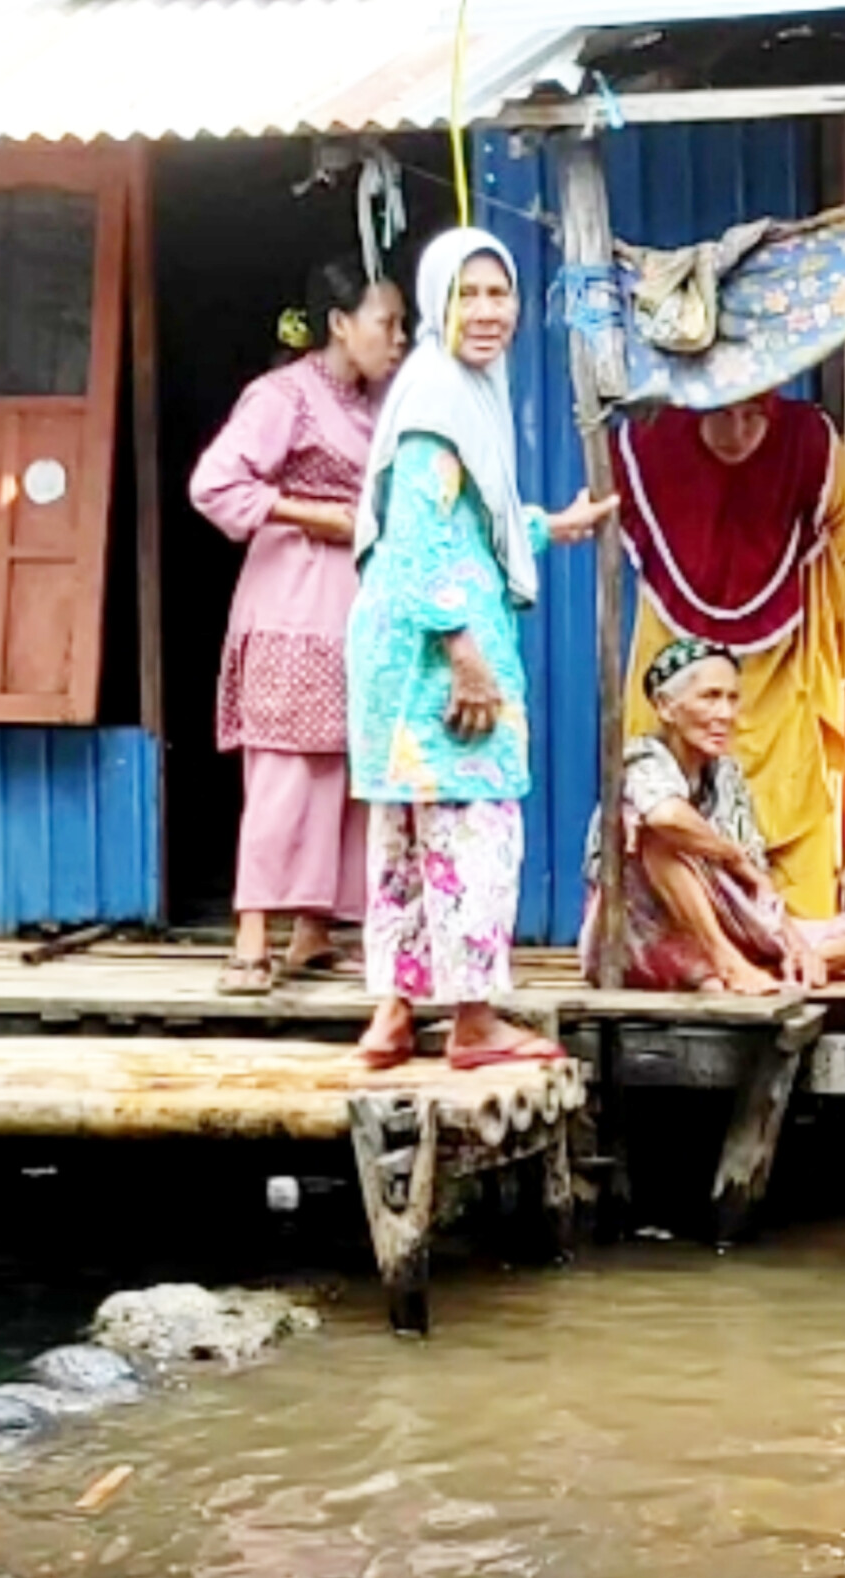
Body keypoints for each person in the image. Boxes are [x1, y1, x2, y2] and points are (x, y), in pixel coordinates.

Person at [344, 228, 617, 1073]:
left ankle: (393, 1016)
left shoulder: (445, 387)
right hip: (439, 651)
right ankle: (471, 1020)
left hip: (402, 655)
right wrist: (465, 651)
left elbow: (461, 522)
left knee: (405, 841)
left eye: (500, 294)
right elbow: (423, 537)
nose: (490, 311)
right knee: (473, 832)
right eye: (470, 293)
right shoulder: (438, 397)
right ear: (438, 302)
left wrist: (543, 524)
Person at [191, 262, 407, 995]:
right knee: (286, 768)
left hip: (357, 604)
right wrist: (313, 514)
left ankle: (313, 933)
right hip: (292, 597)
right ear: (341, 324)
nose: (400, 339)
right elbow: (215, 483)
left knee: (347, 768)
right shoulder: (281, 396)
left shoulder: (379, 404)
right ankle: (252, 936)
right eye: (388, 323)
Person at [613, 393, 845, 918]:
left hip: (782, 670)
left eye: (754, 417)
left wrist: (825, 610)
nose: (737, 432)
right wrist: (731, 855)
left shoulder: (808, 444)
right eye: (721, 414)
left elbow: (844, 536)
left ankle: (789, 935)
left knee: (797, 817)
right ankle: (720, 951)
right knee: (663, 820)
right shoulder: (649, 443)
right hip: (675, 643)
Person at [590, 637, 845, 994]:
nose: (725, 714)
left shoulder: (726, 774)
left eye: (732, 698)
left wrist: (794, 942)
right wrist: (732, 856)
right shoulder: (642, 757)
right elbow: (665, 817)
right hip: (635, 935)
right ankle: (727, 964)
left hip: (718, 926)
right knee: (659, 839)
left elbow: (757, 881)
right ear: (665, 707)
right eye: (710, 697)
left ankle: (758, 967)